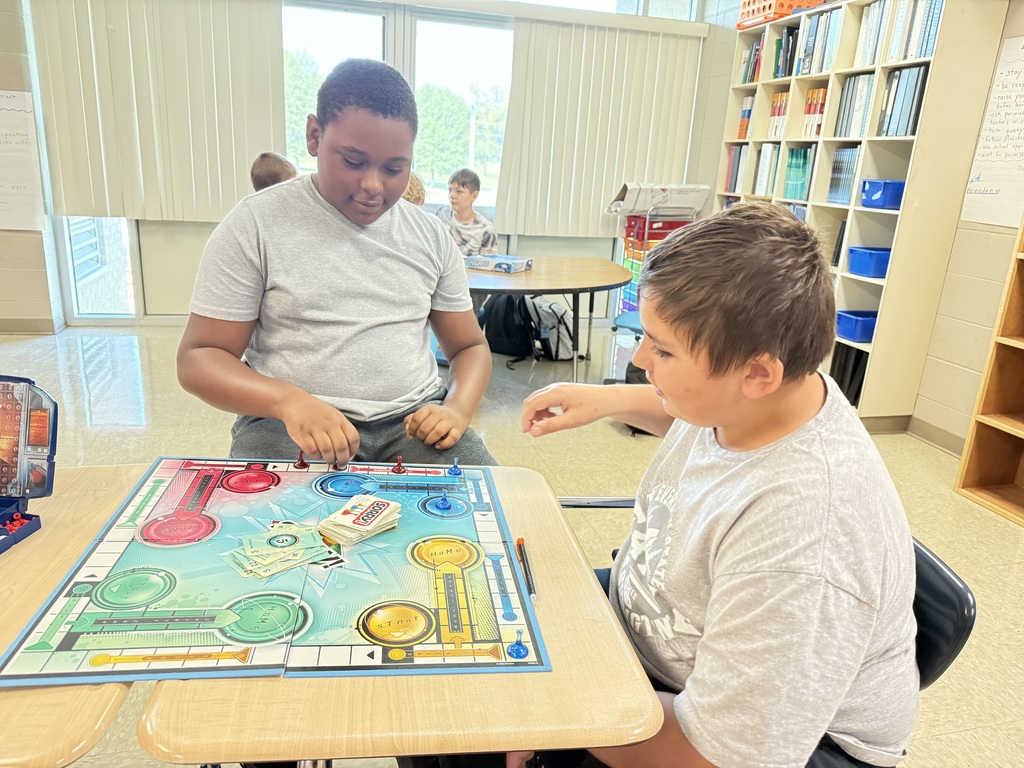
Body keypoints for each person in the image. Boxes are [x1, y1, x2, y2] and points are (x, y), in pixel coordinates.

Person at [405, 203, 920, 768]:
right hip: (654, 637)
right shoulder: (774, 391)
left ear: (757, 373)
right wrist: (606, 399)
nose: (640, 360)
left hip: (758, 744)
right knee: (451, 660)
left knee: (464, 725)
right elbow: (700, 404)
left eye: (663, 349)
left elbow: (715, 753)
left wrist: (554, 709)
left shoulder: (805, 536)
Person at [177, 59, 495, 469]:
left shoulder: (431, 236)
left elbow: (469, 346)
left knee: (491, 520)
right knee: (272, 525)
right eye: (353, 161)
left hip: (412, 423)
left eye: (395, 168)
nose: (373, 186)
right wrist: (289, 401)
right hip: (287, 424)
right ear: (314, 135)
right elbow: (199, 356)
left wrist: (456, 408)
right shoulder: (255, 225)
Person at [435, 168, 498, 256]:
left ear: (474, 196)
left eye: (459, 191)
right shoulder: (441, 214)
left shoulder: (486, 230)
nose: (451, 195)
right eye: (450, 190)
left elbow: (487, 266)